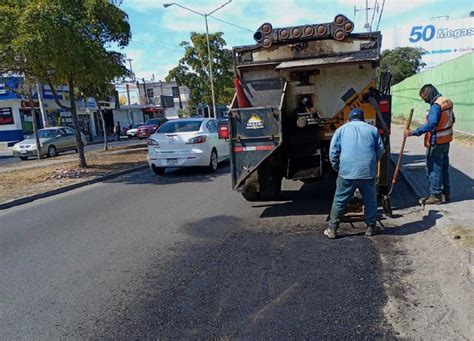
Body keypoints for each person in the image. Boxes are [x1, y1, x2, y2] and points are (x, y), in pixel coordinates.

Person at [324, 108, 385, 239]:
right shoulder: (372, 130)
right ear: (362, 118)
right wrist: (374, 162)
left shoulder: (341, 130)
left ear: (349, 119)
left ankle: (332, 229)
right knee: (370, 200)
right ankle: (370, 227)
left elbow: (333, 153)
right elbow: (380, 150)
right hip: (367, 172)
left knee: (340, 200)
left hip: (347, 172)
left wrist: (337, 168)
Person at [403, 84, 454, 205]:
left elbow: (432, 124)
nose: (424, 100)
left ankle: (435, 195)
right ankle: (446, 193)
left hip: (436, 142)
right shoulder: (446, 102)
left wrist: (413, 132)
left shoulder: (436, 106)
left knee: (434, 169)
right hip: (446, 140)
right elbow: (453, 119)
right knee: (444, 168)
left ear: (429, 93)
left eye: (424, 97)